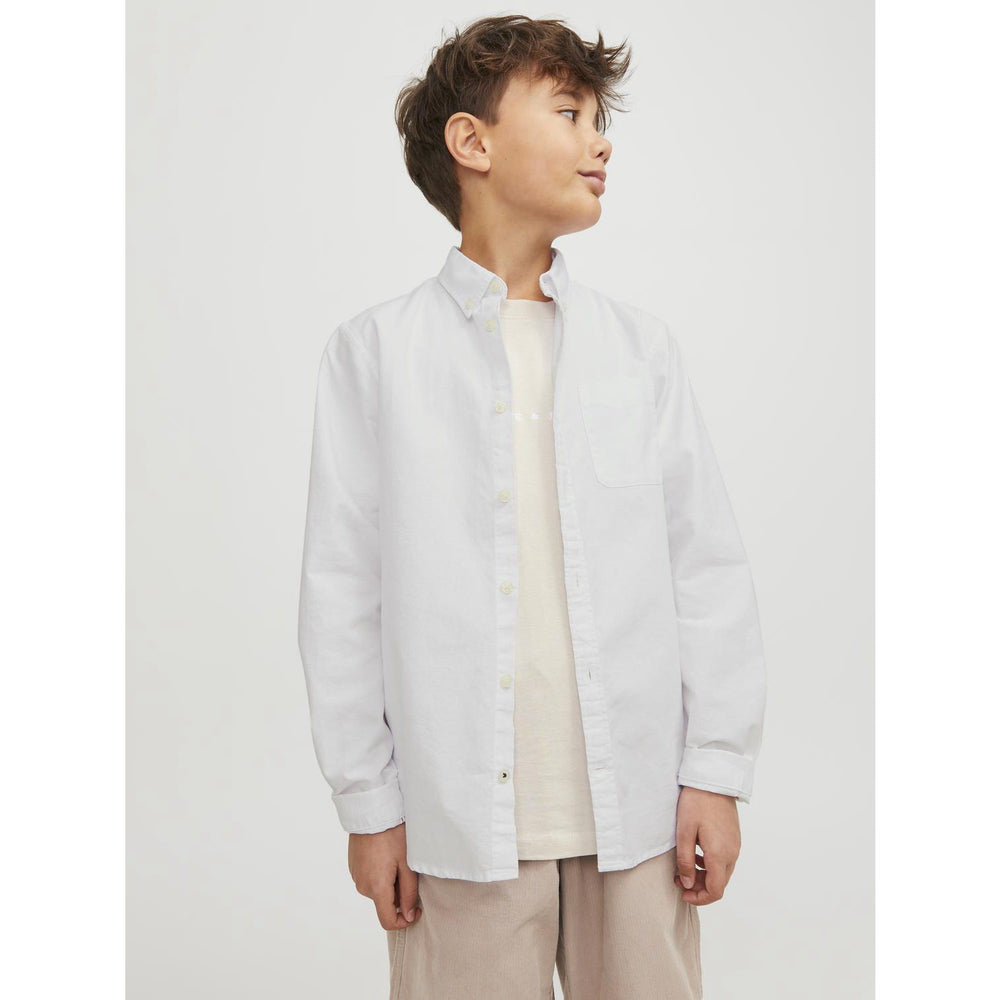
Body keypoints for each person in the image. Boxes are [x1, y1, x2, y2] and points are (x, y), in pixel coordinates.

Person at [297, 14, 767, 999]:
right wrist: (369, 804)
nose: (601, 143)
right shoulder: (376, 356)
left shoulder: (638, 351)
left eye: (600, 120)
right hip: (456, 824)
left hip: (638, 813)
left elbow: (705, 568)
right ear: (472, 143)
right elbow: (342, 596)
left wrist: (715, 770)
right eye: (569, 113)